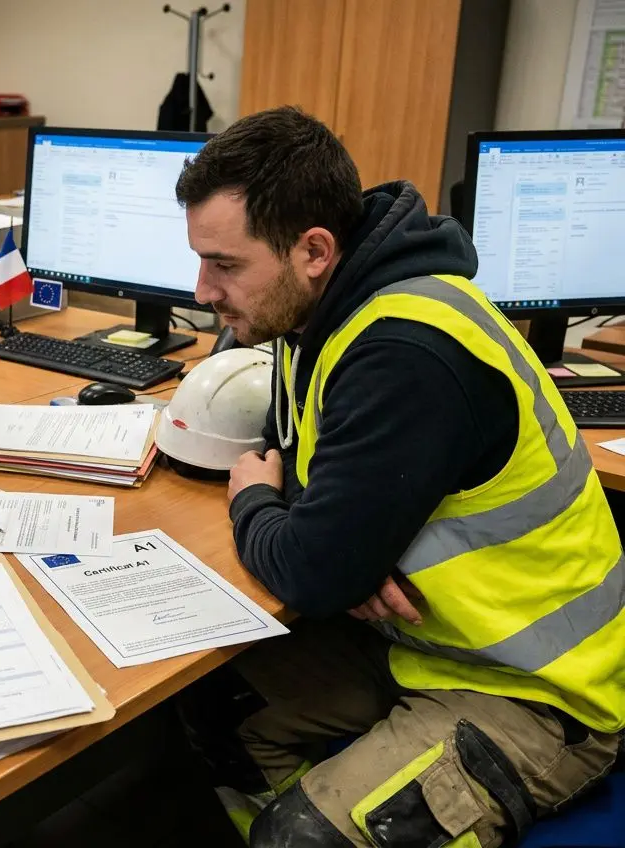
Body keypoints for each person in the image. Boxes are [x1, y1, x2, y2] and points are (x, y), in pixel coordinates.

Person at [177, 106, 624, 846]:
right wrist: (340, 545)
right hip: (421, 644)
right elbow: (308, 483)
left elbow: (312, 569)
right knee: (213, 704)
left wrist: (257, 501)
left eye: (224, 264)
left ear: (314, 249)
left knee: (301, 838)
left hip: (534, 692)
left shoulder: (407, 350)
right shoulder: (316, 312)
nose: (201, 290)